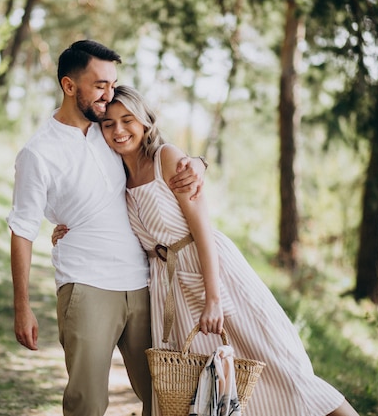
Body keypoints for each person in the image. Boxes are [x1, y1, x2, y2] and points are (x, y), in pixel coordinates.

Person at [53, 85, 360, 416]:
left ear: (145, 122)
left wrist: (214, 299)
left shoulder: (166, 158)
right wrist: (70, 227)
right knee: (197, 382)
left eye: (127, 120)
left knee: (275, 366)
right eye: (109, 124)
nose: (119, 130)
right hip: (167, 287)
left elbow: (202, 230)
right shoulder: (114, 174)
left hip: (208, 270)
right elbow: (102, 216)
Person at [7, 40, 207, 416]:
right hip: (86, 284)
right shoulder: (38, 153)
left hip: (145, 283)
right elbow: (22, 229)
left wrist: (198, 162)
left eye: (112, 84)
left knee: (166, 396)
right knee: (87, 401)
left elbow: (156, 152)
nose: (109, 93)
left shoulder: (109, 130)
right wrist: (22, 308)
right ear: (69, 86)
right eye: (100, 85)